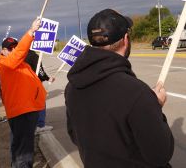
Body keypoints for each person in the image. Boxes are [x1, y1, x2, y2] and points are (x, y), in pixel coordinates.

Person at [65, 9, 174, 167]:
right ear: (125, 39)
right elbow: (160, 154)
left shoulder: (72, 87)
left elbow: (74, 135)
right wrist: (155, 107)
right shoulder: (136, 92)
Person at [0, 19, 46, 168]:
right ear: (3, 51)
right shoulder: (6, 63)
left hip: (27, 109)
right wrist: (31, 32)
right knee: (24, 150)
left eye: (15, 47)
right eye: (10, 48)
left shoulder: (19, 63)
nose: (13, 50)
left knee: (20, 145)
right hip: (22, 111)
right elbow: (18, 54)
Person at [24, 50, 55, 133]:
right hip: (34, 84)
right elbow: (40, 72)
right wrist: (48, 78)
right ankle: (40, 125)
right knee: (40, 103)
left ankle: (30, 125)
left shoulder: (20, 55)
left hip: (23, 85)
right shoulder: (34, 56)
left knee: (29, 106)